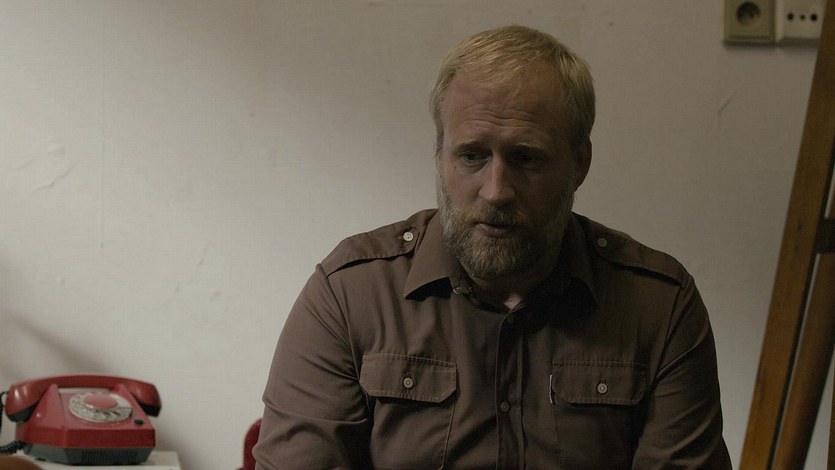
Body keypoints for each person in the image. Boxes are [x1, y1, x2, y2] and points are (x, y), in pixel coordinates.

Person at [254, 25, 732, 469]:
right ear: (439, 152)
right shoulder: (351, 296)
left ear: (579, 163)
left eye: (526, 159)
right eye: (472, 155)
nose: (496, 190)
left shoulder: (657, 307)